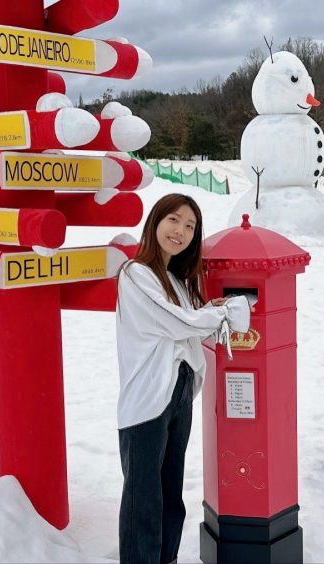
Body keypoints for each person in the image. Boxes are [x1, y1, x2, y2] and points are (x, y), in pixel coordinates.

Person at [115, 193, 250, 563]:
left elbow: (189, 328)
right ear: (156, 221)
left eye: (190, 226)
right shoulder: (135, 274)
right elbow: (175, 324)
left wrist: (208, 309)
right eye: (174, 220)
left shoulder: (175, 281)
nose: (181, 231)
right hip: (148, 398)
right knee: (143, 497)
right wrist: (218, 316)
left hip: (178, 391)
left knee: (170, 492)